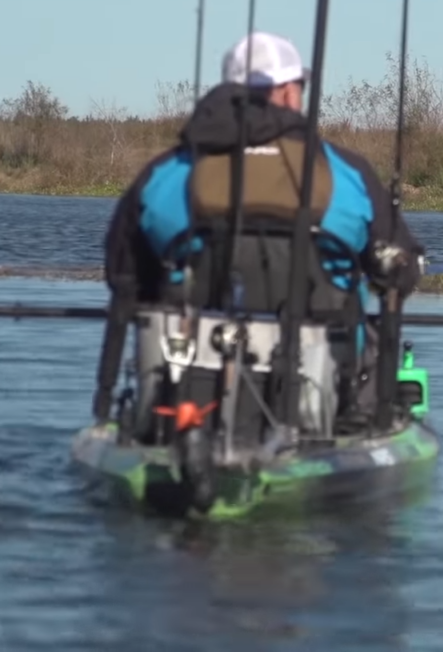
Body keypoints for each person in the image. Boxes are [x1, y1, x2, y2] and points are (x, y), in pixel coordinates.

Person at [92, 30, 425, 430]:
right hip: (326, 395)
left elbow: (123, 276)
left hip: (186, 394)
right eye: (299, 87)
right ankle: (362, 421)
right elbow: (402, 274)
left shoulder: (165, 174)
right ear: (286, 93)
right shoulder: (348, 174)